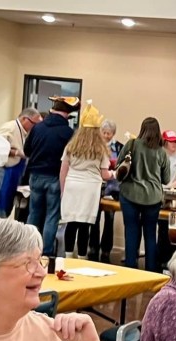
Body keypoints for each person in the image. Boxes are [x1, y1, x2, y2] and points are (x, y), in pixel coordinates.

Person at [24, 96, 78, 257]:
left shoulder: (38, 128)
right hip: (55, 177)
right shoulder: (68, 132)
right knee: (52, 216)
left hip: (35, 176)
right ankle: (46, 252)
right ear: (67, 115)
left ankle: (28, 248)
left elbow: (27, 151)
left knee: (33, 213)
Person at [60, 103, 114, 258]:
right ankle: (83, 258)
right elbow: (104, 175)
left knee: (71, 223)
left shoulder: (71, 146)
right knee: (85, 225)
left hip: (72, 185)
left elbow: (63, 170)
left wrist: (63, 190)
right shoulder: (101, 149)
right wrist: (114, 174)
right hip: (90, 188)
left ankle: (68, 257)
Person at [117, 117, 171, 272]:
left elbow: (119, 165)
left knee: (131, 231)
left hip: (129, 194)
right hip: (152, 197)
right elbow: (166, 179)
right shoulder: (161, 152)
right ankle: (150, 270)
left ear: (142, 129)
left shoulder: (131, 144)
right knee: (150, 233)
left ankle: (130, 268)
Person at [0, 107, 41, 219]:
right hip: (3, 171)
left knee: (8, 207)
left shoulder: (26, 132)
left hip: (16, 171)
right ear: (24, 119)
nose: (34, 128)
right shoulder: (10, 127)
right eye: (34, 124)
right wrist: (17, 153)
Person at [89, 119, 123, 263]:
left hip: (112, 187)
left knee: (109, 219)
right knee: (94, 219)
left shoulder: (119, 147)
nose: (106, 136)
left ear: (113, 134)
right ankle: (93, 247)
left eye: (109, 133)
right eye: (104, 133)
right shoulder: (93, 146)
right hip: (96, 184)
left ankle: (106, 249)